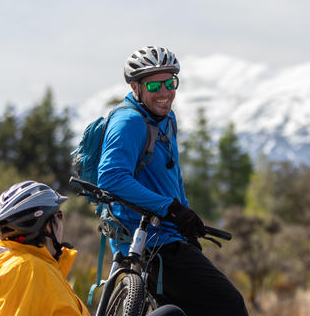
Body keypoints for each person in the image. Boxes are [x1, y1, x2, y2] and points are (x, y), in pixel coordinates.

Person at [97, 45, 247, 315]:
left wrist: (186, 218)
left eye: (171, 82)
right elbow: (110, 178)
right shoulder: (129, 121)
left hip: (169, 235)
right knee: (229, 305)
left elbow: (172, 176)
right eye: (155, 86)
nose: (165, 93)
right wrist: (170, 208)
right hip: (150, 240)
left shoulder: (166, 119)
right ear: (136, 87)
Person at [0, 180, 186, 316]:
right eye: (58, 215)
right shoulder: (27, 270)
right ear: (46, 225)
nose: (61, 221)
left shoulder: (30, 266)